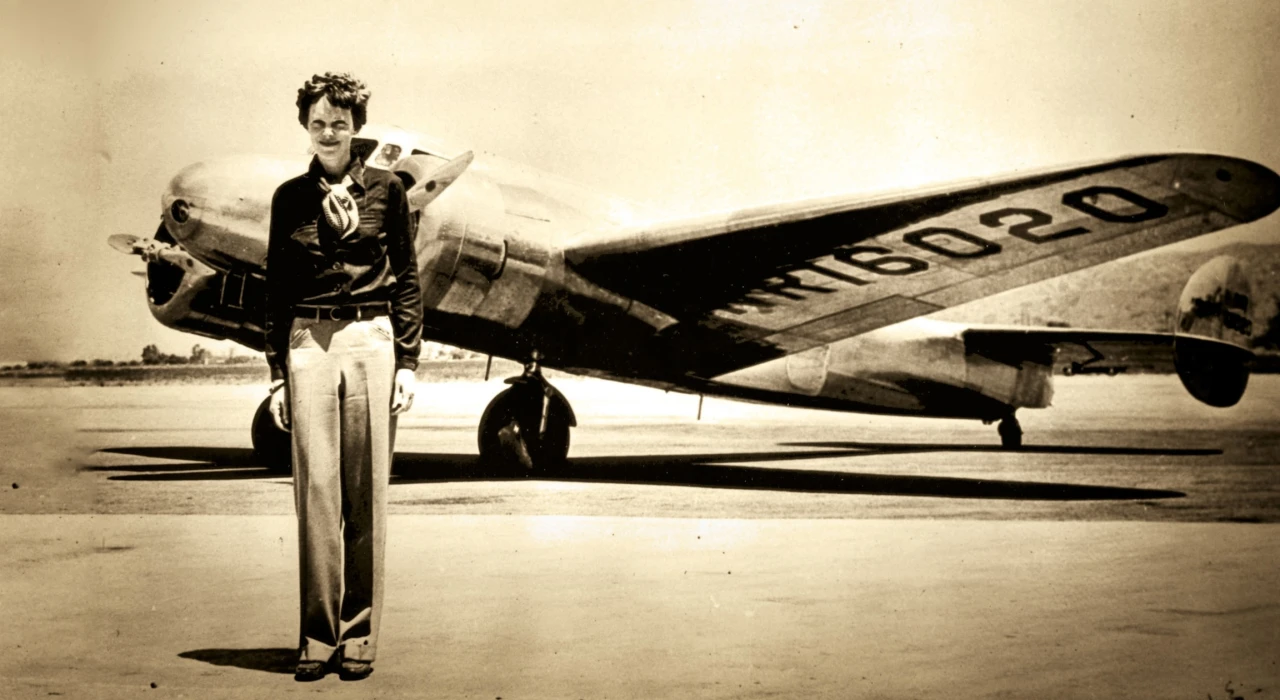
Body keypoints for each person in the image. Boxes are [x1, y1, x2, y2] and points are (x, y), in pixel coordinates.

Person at [263, 71, 423, 682]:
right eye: (317, 123)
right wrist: (278, 372)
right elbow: (276, 290)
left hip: (370, 339)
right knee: (316, 498)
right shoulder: (288, 199)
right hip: (308, 341)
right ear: (305, 126)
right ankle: (315, 637)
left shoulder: (388, 190)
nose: (328, 133)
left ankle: (358, 637)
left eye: (339, 122)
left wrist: (407, 363)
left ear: (356, 126)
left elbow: (406, 278)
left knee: (366, 497)